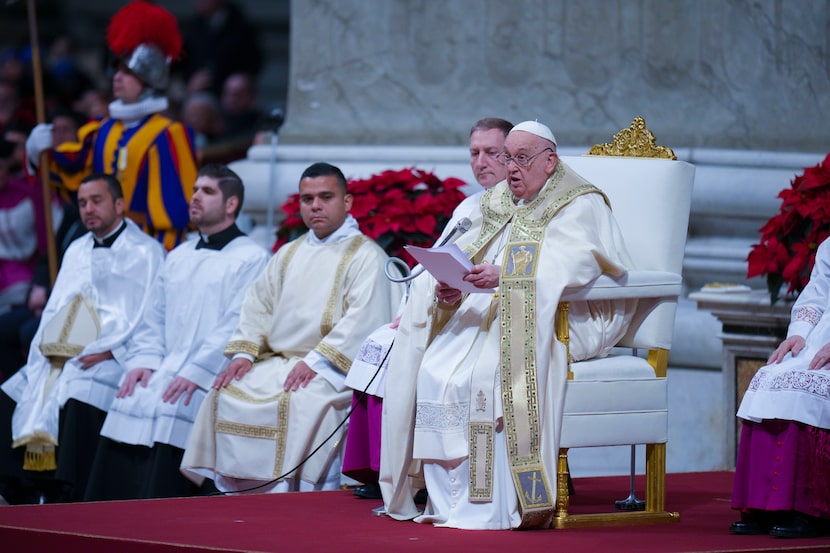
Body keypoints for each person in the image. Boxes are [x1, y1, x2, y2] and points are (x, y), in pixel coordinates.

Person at [379, 121, 638, 530]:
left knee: (485, 374)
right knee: (433, 368)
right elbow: (472, 255)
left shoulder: (578, 202)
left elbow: (576, 262)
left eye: (521, 158)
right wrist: (457, 286)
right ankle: (447, 502)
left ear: (549, 161)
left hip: (565, 315)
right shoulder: (501, 201)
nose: (511, 168)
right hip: (497, 308)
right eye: (508, 158)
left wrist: (505, 276)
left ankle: (498, 502)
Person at [181, 162, 401, 493]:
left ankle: (293, 495)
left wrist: (314, 362)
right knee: (223, 391)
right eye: (307, 198)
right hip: (280, 361)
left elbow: (365, 320)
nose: (315, 205)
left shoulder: (365, 256)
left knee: (305, 402)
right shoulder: (288, 253)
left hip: (332, 368)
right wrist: (243, 353)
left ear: (347, 202)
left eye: (325, 196)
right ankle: (234, 494)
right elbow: (257, 306)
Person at [342, 117, 514, 501]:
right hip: (451, 307)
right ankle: (386, 469)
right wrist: (416, 303)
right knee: (380, 346)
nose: (481, 161)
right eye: (474, 153)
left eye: (491, 152)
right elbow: (436, 258)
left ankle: (427, 477)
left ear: (512, 155)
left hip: (491, 316)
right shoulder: (470, 206)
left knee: (427, 364)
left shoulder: (524, 208)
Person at [83, 164, 267, 501]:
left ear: (231, 204)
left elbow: (238, 322)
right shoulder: (179, 255)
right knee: (131, 394)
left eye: (207, 191)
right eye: (195, 189)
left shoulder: (252, 258)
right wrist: (144, 362)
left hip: (209, 372)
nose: (195, 197)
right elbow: (153, 316)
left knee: (176, 406)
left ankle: (159, 511)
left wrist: (195, 373)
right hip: (167, 365)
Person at [0, 173, 164, 504]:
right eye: (82, 203)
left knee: (77, 394)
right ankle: (22, 490)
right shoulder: (77, 248)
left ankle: (67, 492)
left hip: (115, 355)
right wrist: (51, 348)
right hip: (68, 350)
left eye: (97, 201)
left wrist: (112, 352)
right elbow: (57, 307)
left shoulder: (147, 252)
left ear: (119, 205)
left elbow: (152, 317)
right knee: (14, 392)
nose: (88, 209)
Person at [24, 1, 198, 250]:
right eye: (116, 70)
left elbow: (175, 213)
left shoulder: (169, 134)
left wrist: (162, 258)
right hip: (100, 244)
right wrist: (39, 154)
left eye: (128, 72)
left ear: (150, 78)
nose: (117, 77)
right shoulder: (100, 130)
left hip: (146, 248)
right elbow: (76, 181)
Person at [730, 238, 830, 538]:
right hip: (819, 339)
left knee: (809, 388)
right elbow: (816, 295)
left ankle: (810, 508)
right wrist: (798, 334)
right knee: (770, 375)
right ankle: (762, 505)